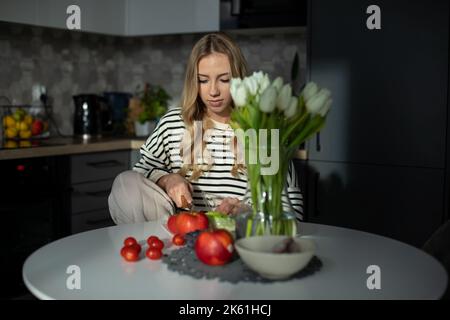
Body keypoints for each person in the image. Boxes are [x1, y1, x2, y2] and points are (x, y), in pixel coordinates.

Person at [108, 32, 304, 224]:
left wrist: (246, 212)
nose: (213, 91)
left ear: (239, 78)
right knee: (125, 182)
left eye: (224, 79)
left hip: (239, 233)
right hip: (178, 232)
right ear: (194, 81)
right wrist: (168, 180)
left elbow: (293, 208)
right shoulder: (173, 123)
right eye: (203, 80)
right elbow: (141, 173)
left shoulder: (262, 130)